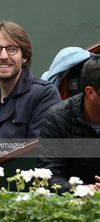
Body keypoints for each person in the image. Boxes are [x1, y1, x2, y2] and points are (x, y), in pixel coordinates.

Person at [0, 20, 61, 151]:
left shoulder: (44, 96)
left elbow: (38, 154)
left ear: (25, 57)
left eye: (12, 49)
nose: (4, 56)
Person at [37, 55, 100, 193]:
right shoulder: (58, 117)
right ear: (90, 92)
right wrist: (81, 190)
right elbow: (49, 174)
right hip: (71, 206)